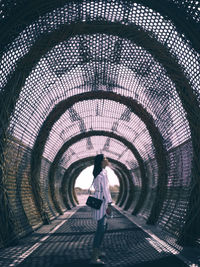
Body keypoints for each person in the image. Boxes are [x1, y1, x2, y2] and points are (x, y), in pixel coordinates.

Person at [90, 154, 112, 265]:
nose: (107, 160)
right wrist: (110, 203)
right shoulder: (102, 173)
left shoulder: (99, 172)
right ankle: (94, 258)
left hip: (99, 202)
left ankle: (97, 252)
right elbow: (105, 190)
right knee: (100, 229)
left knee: (103, 227)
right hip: (102, 203)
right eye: (104, 159)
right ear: (101, 162)